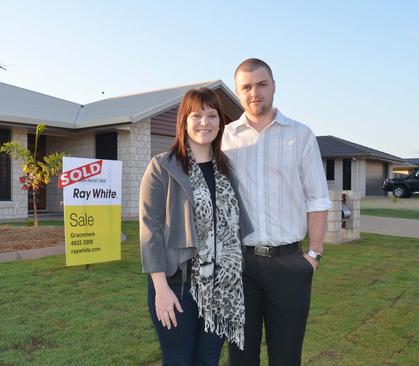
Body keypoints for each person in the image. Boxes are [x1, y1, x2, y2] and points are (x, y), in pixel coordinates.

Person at [222, 58, 331, 365]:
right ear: (238, 91)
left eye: (261, 84)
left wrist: (314, 255)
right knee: (241, 356)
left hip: (290, 264)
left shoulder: (301, 135)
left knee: (285, 356)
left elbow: (317, 199)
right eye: (246, 86)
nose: (254, 92)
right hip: (241, 266)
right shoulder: (226, 138)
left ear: (273, 87)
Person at [139, 87, 251, 365]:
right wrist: (160, 289)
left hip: (221, 286)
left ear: (220, 123)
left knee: (208, 360)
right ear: (184, 121)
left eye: (212, 115)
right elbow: (149, 231)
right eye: (197, 115)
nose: (205, 122)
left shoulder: (227, 171)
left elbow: (235, 228)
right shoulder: (162, 167)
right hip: (177, 284)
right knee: (178, 360)